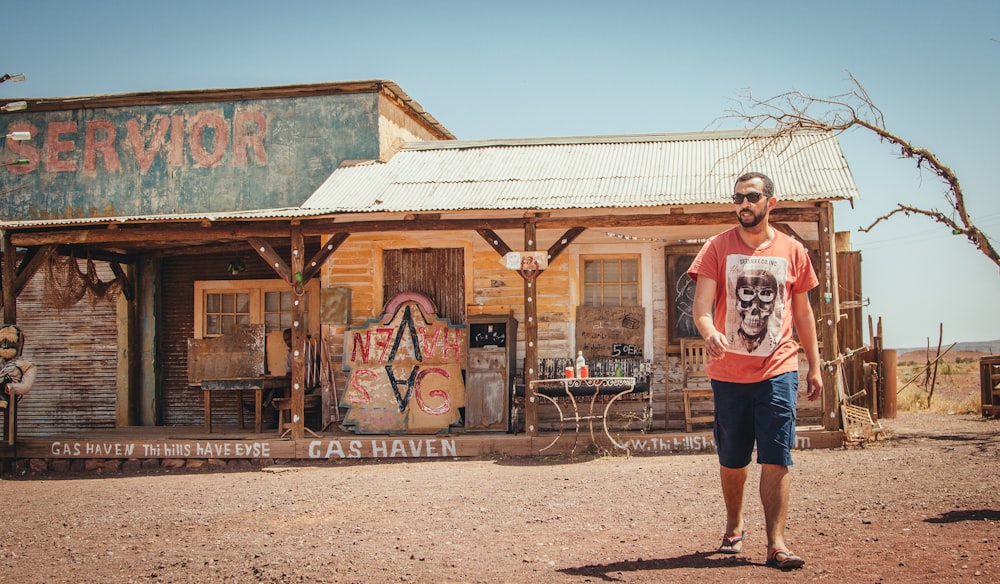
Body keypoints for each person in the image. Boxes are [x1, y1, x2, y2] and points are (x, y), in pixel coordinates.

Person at [687, 171, 822, 570]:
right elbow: (701, 308)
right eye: (737, 198)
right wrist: (710, 331)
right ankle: (733, 524)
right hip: (729, 372)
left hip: (779, 367)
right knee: (733, 458)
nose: (743, 204)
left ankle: (776, 544)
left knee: (777, 453)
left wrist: (813, 365)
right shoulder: (717, 247)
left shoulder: (792, 250)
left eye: (751, 196)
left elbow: (803, 312)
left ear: (770, 202)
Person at [0, 324, 37, 410]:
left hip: (6, 391)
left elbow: (26, 386)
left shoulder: (25, 365)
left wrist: (11, 387)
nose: (5, 347)